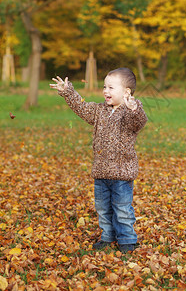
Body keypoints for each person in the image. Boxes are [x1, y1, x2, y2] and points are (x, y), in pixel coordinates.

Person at [50, 68, 148, 253]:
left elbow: (138, 122)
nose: (105, 91)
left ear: (126, 92)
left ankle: (127, 239)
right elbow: (81, 107)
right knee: (103, 209)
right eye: (104, 87)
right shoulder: (99, 111)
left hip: (121, 173)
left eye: (111, 87)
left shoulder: (130, 112)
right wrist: (68, 92)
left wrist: (134, 108)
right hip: (101, 172)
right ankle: (107, 236)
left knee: (122, 209)